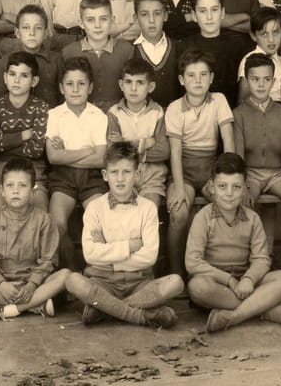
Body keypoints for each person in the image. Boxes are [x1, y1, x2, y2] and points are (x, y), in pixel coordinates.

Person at [65, 142, 183, 328]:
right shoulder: (95, 208)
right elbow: (90, 254)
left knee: (175, 282)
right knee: (72, 281)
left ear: (137, 174)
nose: (120, 179)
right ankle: (140, 316)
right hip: (103, 281)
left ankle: (105, 309)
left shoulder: (147, 208)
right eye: (114, 172)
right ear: (105, 175)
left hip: (139, 283)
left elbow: (149, 256)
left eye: (126, 172)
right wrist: (130, 246)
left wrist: (109, 256)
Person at [186, 153, 281, 333]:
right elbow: (193, 262)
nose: (229, 193)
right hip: (216, 281)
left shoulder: (253, 218)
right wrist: (229, 280)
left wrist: (248, 279)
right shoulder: (203, 217)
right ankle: (261, 308)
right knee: (197, 287)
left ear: (245, 188)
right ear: (212, 187)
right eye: (222, 186)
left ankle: (234, 316)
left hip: (245, 279)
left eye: (236, 187)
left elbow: (261, 259)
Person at [0, 157, 70, 321]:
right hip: (1, 285)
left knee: (65, 276)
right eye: (10, 185)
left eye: (22, 185)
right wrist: (1, 284)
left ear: (33, 191)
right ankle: (35, 305)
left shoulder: (44, 220)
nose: (15, 191)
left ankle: (5, 309)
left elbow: (48, 260)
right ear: (2, 190)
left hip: (34, 284)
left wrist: (32, 285)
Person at [165, 50, 235, 278]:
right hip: (183, 170)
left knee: (227, 203)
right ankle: (176, 272)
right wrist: (178, 187)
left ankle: (219, 270)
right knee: (179, 212)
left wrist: (227, 180)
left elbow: (228, 142)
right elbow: (175, 152)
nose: (198, 80)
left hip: (211, 169)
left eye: (203, 75)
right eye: (191, 75)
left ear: (211, 78)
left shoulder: (219, 100)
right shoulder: (174, 108)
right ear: (181, 80)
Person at [46, 57, 108, 268]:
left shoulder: (98, 116)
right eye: (69, 84)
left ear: (90, 87)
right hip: (62, 179)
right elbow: (53, 157)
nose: (75, 89)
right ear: (61, 88)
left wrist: (67, 154)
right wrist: (86, 151)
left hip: (92, 180)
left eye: (81, 84)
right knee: (57, 224)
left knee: (99, 222)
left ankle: (95, 273)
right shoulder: (54, 115)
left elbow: (100, 159)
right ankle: (70, 271)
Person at [233, 54, 281, 211]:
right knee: (243, 206)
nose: (261, 84)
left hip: (277, 175)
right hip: (250, 175)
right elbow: (237, 155)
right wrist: (241, 185)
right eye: (255, 79)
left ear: (273, 81)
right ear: (246, 81)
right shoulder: (238, 114)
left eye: (267, 79)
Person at [0, 51, 49, 211]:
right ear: (5, 77)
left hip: (33, 172)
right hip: (0, 172)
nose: (16, 80)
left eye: (24, 76)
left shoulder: (41, 107)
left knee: (39, 212)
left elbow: (36, 150)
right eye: (12, 74)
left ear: (34, 81)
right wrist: (24, 135)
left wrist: (5, 141)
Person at [107, 58, 169, 207]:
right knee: (124, 211)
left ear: (150, 86)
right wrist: (145, 143)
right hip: (124, 175)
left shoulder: (158, 112)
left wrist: (125, 143)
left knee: (149, 208)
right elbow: (113, 152)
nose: (133, 88)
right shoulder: (114, 113)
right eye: (128, 82)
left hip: (152, 176)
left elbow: (163, 151)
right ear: (121, 85)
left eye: (140, 83)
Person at [62, 0, 135, 111]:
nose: (97, 25)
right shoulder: (69, 52)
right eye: (90, 20)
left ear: (112, 20)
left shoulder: (126, 50)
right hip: (82, 114)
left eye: (103, 19)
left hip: (118, 114)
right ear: (81, 23)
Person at [183, 0, 248, 105]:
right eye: (202, 11)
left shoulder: (239, 46)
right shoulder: (184, 47)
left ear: (222, 12)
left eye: (214, 10)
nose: (209, 17)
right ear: (194, 15)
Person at [0, 4, 64, 107]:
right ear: (17, 33)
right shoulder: (6, 60)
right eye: (26, 27)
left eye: (38, 28)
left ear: (45, 33)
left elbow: (62, 97)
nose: (32, 33)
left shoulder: (56, 60)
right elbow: (0, 96)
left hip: (49, 115)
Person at [131, 0, 183, 109]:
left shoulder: (180, 48)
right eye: (144, 14)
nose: (151, 20)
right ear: (136, 18)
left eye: (157, 14)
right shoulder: (129, 50)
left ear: (165, 16)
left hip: (174, 116)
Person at [237, 7, 281, 104]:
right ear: (253, 36)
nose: (271, 40)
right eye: (264, 34)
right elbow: (242, 101)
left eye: (275, 32)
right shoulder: (249, 60)